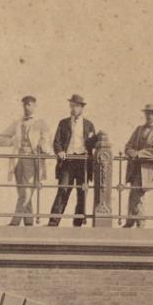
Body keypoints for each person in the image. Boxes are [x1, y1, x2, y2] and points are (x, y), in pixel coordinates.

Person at [0, 96, 51, 226]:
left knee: (26, 192)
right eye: (24, 105)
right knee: (23, 191)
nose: (26, 107)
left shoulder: (41, 123)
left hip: (32, 160)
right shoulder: (17, 122)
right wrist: (13, 142)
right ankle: (28, 222)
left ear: (35, 106)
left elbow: (46, 141)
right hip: (18, 160)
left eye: (29, 104)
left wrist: (42, 146)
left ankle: (15, 222)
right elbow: (1, 138)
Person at [49, 94, 97, 227]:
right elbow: (57, 142)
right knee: (63, 189)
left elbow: (93, 143)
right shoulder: (63, 123)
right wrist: (59, 151)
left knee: (82, 192)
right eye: (72, 106)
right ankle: (53, 222)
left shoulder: (89, 125)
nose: (73, 108)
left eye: (76, 106)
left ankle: (78, 223)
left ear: (82, 108)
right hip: (68, 161)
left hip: (83, 162)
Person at [123, 103, 153, 228]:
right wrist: (131, 152)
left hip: (146, 168)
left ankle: (139, 223)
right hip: (134, 167)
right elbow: (128, 145)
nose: (148, 116)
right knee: (133, 193)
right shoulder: (138, 129)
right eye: (147, 113)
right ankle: (131, 220)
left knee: (139, 194)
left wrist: (139, 153)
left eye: (151, 114)